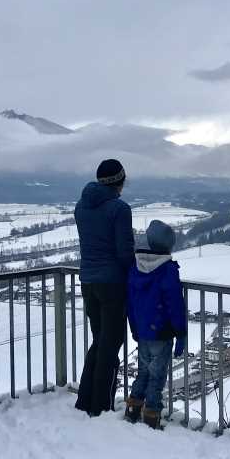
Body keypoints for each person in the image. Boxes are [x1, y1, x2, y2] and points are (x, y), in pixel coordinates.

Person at [74, 159, 134, 416]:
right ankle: (101, 406)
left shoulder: (81, 206)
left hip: (88, 281)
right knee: (111, 345)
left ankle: (85, 399)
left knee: (100, 341)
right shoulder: (119, 209)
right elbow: (124, 252)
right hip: (112, 284)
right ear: (120, 181)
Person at [124, 220, 186, 429]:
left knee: (143, 372)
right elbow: (175, 305)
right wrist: (181, 333)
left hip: (142, 332)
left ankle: (133, 409)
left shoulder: (135, 267)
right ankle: (151, 416)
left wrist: (134, 327)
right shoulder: (167, 270)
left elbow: (131, 303)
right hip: (161, 333)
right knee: (157, 376)